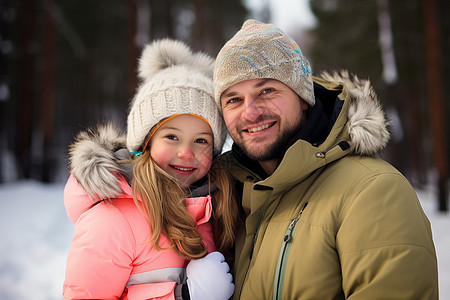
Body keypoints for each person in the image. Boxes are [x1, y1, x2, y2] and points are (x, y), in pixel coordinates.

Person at [213, 19, 438, 299]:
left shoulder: (373, 191)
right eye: (233, 99)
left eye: (267, 91)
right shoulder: (225, 198)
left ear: (303, 96)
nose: (251, 112)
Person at [63, 39, 237, 300]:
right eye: (172, 137)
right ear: (145, 142)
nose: (186, 153)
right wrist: (184, 296)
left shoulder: (217, 210)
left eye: (201, 140)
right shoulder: (112, 219)